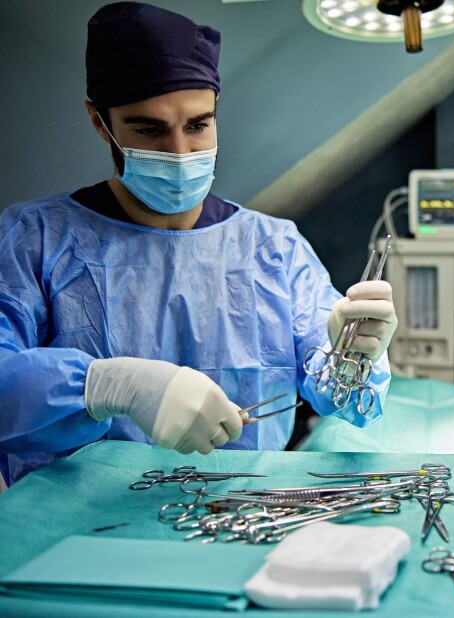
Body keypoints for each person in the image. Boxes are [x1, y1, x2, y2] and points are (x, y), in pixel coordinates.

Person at [0, 2, 397, 486]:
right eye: (149, 129)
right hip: (70, 526)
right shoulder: (34, 238)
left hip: (244, 514)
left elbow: (344, 398)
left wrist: (353, 354)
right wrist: (107, 386)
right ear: (99, 122)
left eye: (197, 125)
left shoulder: (273, 246)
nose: (180, 152)